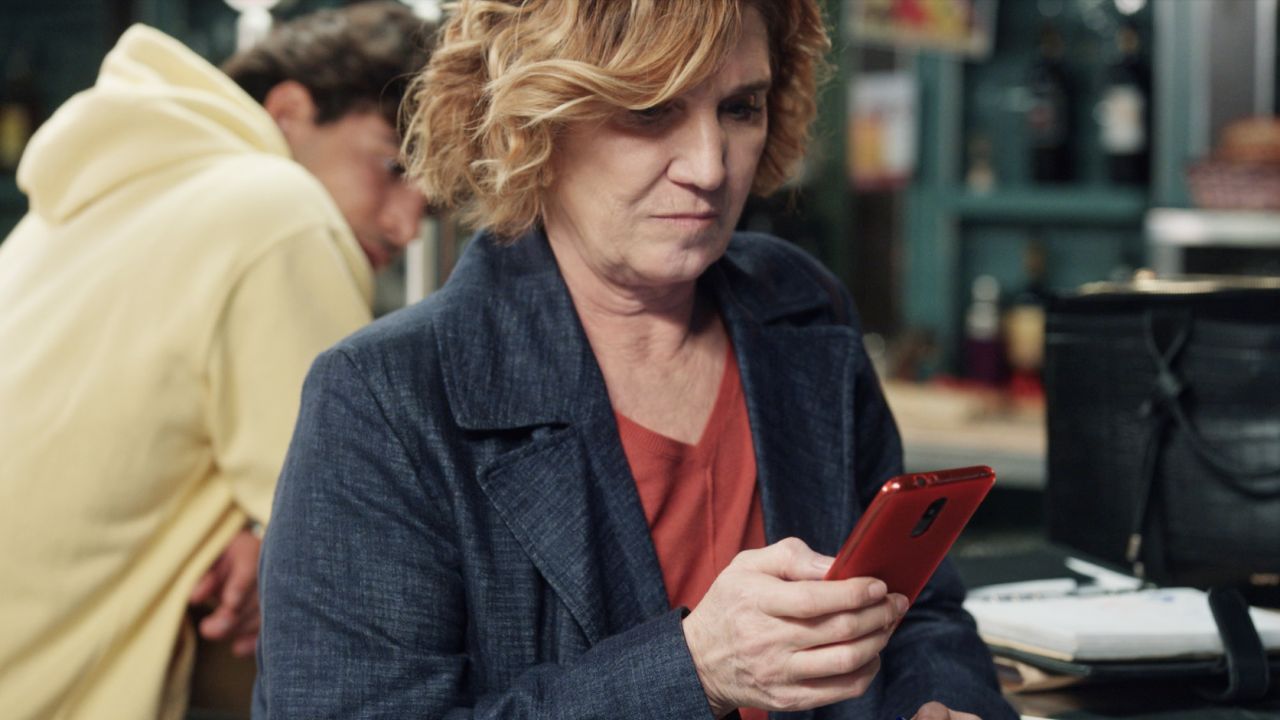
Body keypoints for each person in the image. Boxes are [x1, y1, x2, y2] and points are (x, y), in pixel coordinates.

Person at [255, 1, 1017, 718]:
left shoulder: (802, 311)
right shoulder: (386, 396)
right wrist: (692, 672)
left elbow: (920, 611)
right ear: (533, 119)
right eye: (650, 110)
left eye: (740, 108)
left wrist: (941, 699)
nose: (710, 167)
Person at [0, 4, 434, 719]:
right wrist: (280, 539)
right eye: (391, 166)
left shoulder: (118, 187)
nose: (406, 223)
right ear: (288, 110)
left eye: (432, 204)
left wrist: (263, 533)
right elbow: (371, 561)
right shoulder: (282, 213)